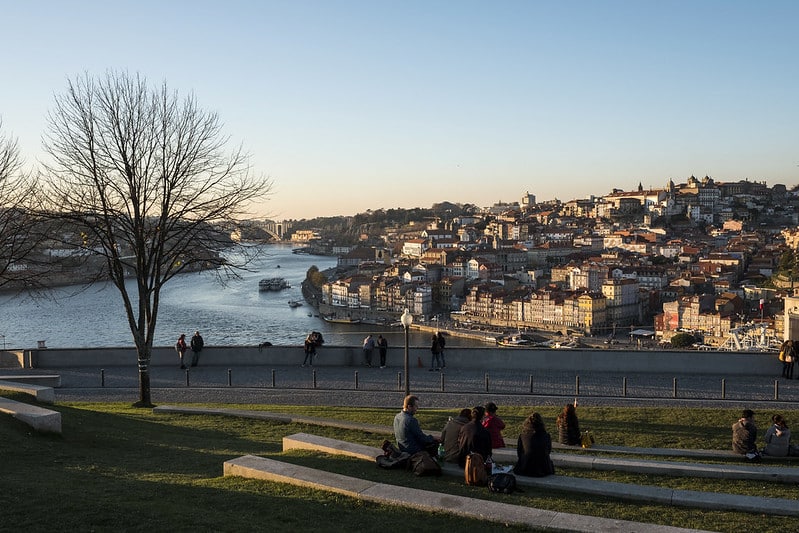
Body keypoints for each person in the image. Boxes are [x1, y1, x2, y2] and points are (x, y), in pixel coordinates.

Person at [514, 412, 555, 477]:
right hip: (542, 469)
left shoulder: (522, 436)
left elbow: (519, 452)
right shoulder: (546, 436)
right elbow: (548, 451)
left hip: (525, 467)